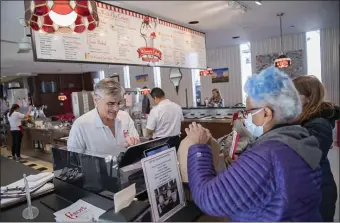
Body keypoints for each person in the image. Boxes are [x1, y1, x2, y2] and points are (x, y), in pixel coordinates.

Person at [186, 66, 323, 221]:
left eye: (249, 112)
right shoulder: (300, 141)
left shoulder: (267, 155)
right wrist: (244, 167)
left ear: (266, 113)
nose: (244, 118)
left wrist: (199, 148)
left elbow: (208, 199)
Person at [293, 75, 339, 221]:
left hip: (318, 193)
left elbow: (304, 157)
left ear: (309, 97)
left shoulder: (319, 123)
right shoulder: (303, 118)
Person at [67, 78, 140, 157]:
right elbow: (74, 160)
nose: (116, 109)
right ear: (96, 100)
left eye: (119, 103)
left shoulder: (125, 117)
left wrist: (134, 143)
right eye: (110, 103)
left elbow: (136, 145)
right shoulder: (81, 125)